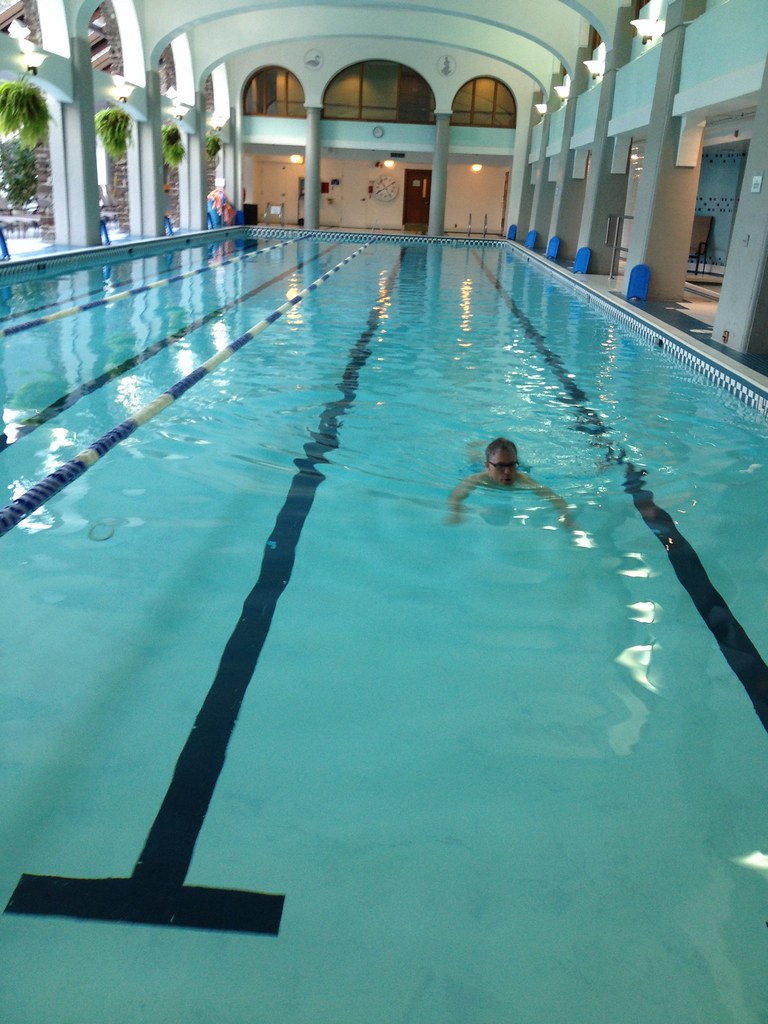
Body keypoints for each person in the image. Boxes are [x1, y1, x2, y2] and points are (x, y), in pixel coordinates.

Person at [448, 437, 575, 528]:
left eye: (511, 465)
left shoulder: (523, 479)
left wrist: (566, 518)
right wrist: (456, 513)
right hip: (477, 467)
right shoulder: (477, 479)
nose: (507, 472)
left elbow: (555, 499)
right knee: (474, 461)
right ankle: (472, 447)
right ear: (487, 466)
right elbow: (455, 498)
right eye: (501, 466)